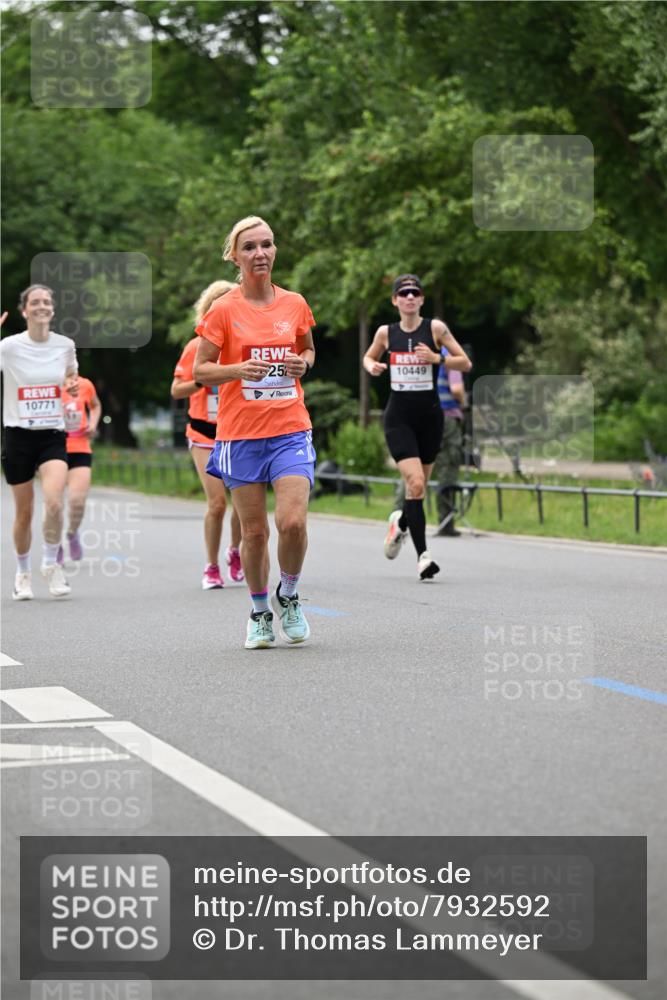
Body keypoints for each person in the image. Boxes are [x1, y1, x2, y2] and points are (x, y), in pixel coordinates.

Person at [193, 215, 316, 649]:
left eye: (266, 245)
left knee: (293, 522)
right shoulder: (224, 310)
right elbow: (201, 370)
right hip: (241, 435)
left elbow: (307, 347)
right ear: (234, 256)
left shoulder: (294, 303)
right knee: (254, 533)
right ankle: (261, 610)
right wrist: (236, 369)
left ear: (275, 250)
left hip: (290, 429)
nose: (259, 253)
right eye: (249, 247)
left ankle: (291, 593)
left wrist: (305, 362)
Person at [363, 274, 471, 580]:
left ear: (421, 299)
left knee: (417, 491)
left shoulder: (435, 328)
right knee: (416, 485)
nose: (410, 297)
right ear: (395, 300)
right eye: (403, 293)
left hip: (431, 418)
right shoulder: (387, 333)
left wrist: (437, 357)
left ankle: (402, 524)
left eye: (415, 292)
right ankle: (424, 558)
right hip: (399, 418)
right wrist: (372, 365)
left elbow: (465, 363)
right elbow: (368, 357)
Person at [0, 284, 78, 599]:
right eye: (35, 302)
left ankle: (50, 563)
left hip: (52, 434)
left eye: (47, 301)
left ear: (53, 309)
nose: (42, 306)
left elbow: (72, 376)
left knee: (55, 501)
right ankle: (22, 572)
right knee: (24, 512)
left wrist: (72, 387)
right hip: (17, 434)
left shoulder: (65, 345)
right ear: (24, 310)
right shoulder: (8, 346)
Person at [171, 280, 243, 589]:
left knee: (244, 502)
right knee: (218, 503)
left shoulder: (243, 344)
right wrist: (202, 380)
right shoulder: (195, 347)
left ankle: (235, 551)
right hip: (203, 431)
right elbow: (176, 391)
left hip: (238, 429)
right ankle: (212, 566)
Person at [57, 372, 102, 563]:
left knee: (77, 500)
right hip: (53, 449)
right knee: (54, 503)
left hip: (80, 447)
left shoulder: (85, 384)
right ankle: (55, 544)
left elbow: (96, 405)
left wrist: (92, 424)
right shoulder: (48, 384)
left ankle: (71, 533)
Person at [433, 347, 466, 536]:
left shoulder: (420, 352)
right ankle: (446, 523)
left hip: (424, 415)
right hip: (447, 417)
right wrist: (464, 403)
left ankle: (399, 518)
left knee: (417, 467)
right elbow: (456, 389)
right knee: (449, 467)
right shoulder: (450, 356)